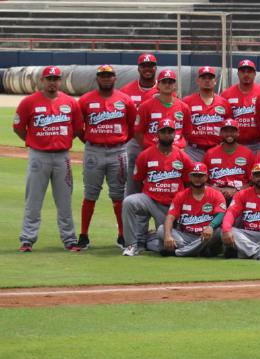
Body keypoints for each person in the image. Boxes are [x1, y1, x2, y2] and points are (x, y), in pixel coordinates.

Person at [14, 66, 83, 252]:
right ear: (42, 81)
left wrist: (62, 140)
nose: (52, 82)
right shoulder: (29, 102)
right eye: (49, 78)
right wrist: (34, 140)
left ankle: (69, 240)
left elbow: (77, 129)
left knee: (64, 201)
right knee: (33, 201)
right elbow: (19, 127)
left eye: (55, 78)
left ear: (60, 81)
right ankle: (27, 240)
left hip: (62, 157)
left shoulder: (70, 102)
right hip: (39, 155)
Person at [77, 64, 136, 249]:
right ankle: (84, 235)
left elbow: (132, 126)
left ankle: (121, 235)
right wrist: (90, 140)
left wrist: (120, 140)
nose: (106, 79)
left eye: (109, 76)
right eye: (102, 76)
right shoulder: (85, 100)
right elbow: (79, 128)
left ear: (115, 78)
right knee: (90, 194)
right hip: (93, 150)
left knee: (118, 195)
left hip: (117, 151)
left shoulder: (125, 100)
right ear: (97, 78)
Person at [122, 119, 193, 256]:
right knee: (129, 202)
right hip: (150, 200)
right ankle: (131, 244)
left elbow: (188, 183)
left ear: (175, 134)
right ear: (157, 134)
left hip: (172, 205)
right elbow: (138, 180)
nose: (167, 135)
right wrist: (146, 196)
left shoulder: (182, 156)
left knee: (167, 246)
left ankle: (149, 240)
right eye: (163, 132)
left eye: (170, 132)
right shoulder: (146, 155)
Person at [158, 162, 226, 257]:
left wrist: (211, 226)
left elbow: (221, 214)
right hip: (186, 236)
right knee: (161, 230)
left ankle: (178, 252)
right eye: (194, 175)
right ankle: (199, 250)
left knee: (219, 231)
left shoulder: (215, 194)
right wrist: (168, 236)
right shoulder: (181, 195)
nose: (197, 178)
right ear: (190, 177)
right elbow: (170, 217)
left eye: (200, 175)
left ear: (206, 177)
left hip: (207, 236)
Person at [120, 53, 159, 195]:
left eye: (151, 66)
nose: (147, 69)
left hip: (157, 141)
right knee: (132, 182)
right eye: (144, 66)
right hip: (134, 142)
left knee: (159, 181)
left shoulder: (165, 89)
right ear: (138, 68)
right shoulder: (126, 91)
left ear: (155, 68)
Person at [133, 69, 191, 150]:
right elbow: (138, 132)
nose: (167, 85)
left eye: (170, 82)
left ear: (175, 85)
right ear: (158, 85)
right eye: (164, 82)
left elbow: (187, 132)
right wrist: (148, 148)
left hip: (176, 151)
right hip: (152, 150)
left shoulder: (184, 107)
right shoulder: (145, 106)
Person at [183, 66, 231, 162]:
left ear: (215, 81)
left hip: (217, 149)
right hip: (194, 150)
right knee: (194, 176)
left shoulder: (224, 103)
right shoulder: (187, 101)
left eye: (210, 78)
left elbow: (229, 126)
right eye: (204, 78)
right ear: (198, 81)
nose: (207, 80)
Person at [202, 119, 255, 203]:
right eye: (226, 131)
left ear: (238, 133)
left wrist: (237, 191)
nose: (229, 134)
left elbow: (252, 181)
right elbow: (202, 180)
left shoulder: (247, 153)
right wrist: (216, 189)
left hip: (240, 195)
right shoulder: (210, 153)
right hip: (215, 194)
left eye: (232, 131)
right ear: (220, 133)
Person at [221, 59, 260, 153]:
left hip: (258, 144)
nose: (246, 74)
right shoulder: (226, 95)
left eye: (249, 71)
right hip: (234, 144)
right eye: (243, 71)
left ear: (255, 74)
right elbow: (222, 120)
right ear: (238, 74)